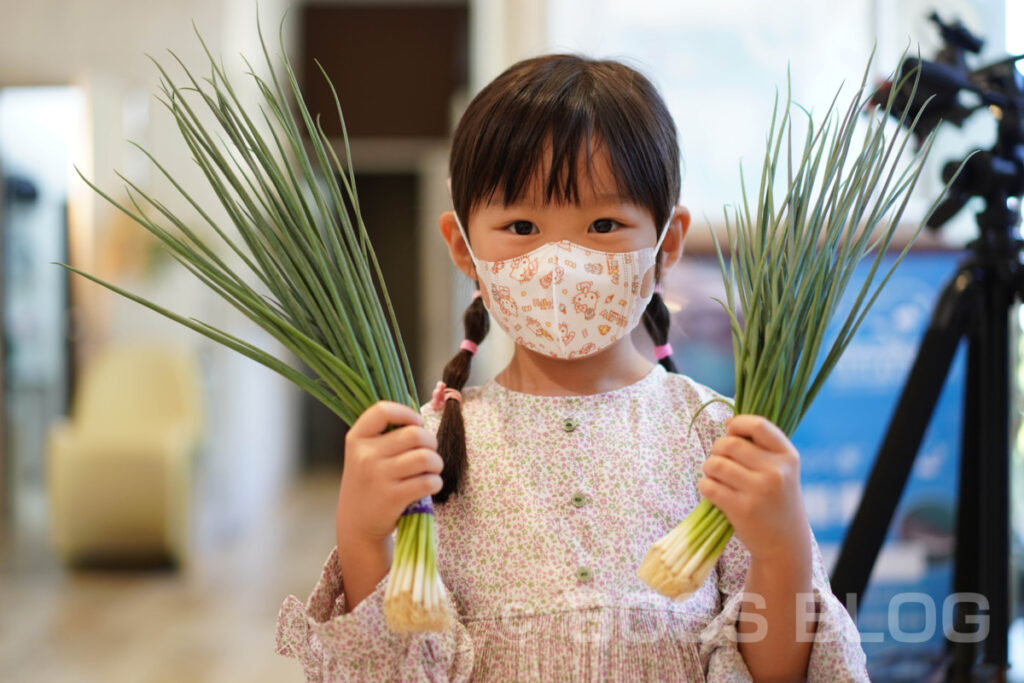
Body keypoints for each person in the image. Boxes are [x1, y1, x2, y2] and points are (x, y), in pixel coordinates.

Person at [276, 54, 868, 681]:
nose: (561, 262)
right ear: (463, 248)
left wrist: (782, 547)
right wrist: (363, 538)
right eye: (522, 225)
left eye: (604, 224)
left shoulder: (716, 435)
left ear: (667, 243)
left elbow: (775, 670)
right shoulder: (423, 448)